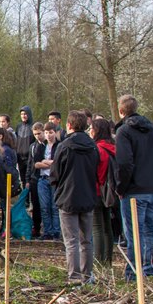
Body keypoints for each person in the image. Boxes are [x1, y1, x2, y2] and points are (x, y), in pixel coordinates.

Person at [114, 95, 153, 281]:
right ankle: (150, 269)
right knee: (150, 229)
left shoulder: (124, 131)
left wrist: (120, 187)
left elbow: (125, 163)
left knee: (134, 232)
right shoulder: (152, 128)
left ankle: (134, 273)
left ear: (121, 111)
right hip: (152, 186)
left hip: (134, 189)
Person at [51, 111, 99, 283]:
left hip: (68, 197)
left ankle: (75, 276)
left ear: (69, 125)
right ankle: (87, 276)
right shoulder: (93, 146)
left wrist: (57, 186)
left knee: (72, 241)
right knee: (86, 240)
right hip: (87, 196)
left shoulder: (64, 146)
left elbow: (55, 173)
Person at [90, 117, 115, 268]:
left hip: (97, 190)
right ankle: (108, 261)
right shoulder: (114, 147)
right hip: (110, 191)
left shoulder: (97, 149)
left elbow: (95, 171)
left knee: (97, 227)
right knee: (107, 227)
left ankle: (98, 262)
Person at [35, 121, 60, 240]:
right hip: (42, 179)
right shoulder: (40, 146)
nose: (48, 135)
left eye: (51, 132)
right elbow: (36, 164)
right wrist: (49, 163)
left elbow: (58, 163)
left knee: (55, 207)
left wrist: (46, 162)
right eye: (46, 133)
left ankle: (56, 231)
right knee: (44, 207)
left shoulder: (60, 146)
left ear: (55, 133)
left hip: (55, 179)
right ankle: (47, 231)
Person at [27, 121, 46, 239]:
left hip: (44, 176)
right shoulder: (33, 146)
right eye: (35, 134)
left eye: (39, 133)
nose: (37, 136)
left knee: (46, 205)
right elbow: (29, 163)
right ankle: (36, 228)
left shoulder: (47, 146)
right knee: (35, 205)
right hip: (34, 178)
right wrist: (27, 179)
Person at [16, 107, 35, 184]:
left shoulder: (33, 126)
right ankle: (25, 196)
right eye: (22, 114)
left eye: (25, 114)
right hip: (20, 158)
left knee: (31, 179)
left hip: (30, 158)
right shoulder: (19, 126)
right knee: (23, 180)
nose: (23, 116)